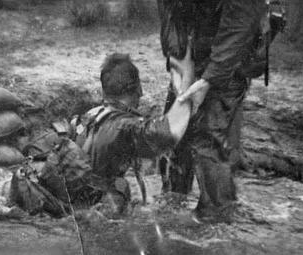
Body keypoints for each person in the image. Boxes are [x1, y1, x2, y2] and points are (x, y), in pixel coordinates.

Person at [157, 0, 267, 221]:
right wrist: (178, 60)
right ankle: (173, 204)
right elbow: (169, 11)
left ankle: (216, 219)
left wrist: (210, 79)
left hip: (235, 54)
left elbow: (239, 29)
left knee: (209, 139)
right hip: (200, 39)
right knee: (172, 135)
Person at [72, 52, 197, 213]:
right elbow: (167, 134)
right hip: (95, 215)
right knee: (119, 190)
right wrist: (186, 82)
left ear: (105, 91)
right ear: (138, 89)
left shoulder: (85, 117)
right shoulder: (124, 127)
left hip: (71, 203)